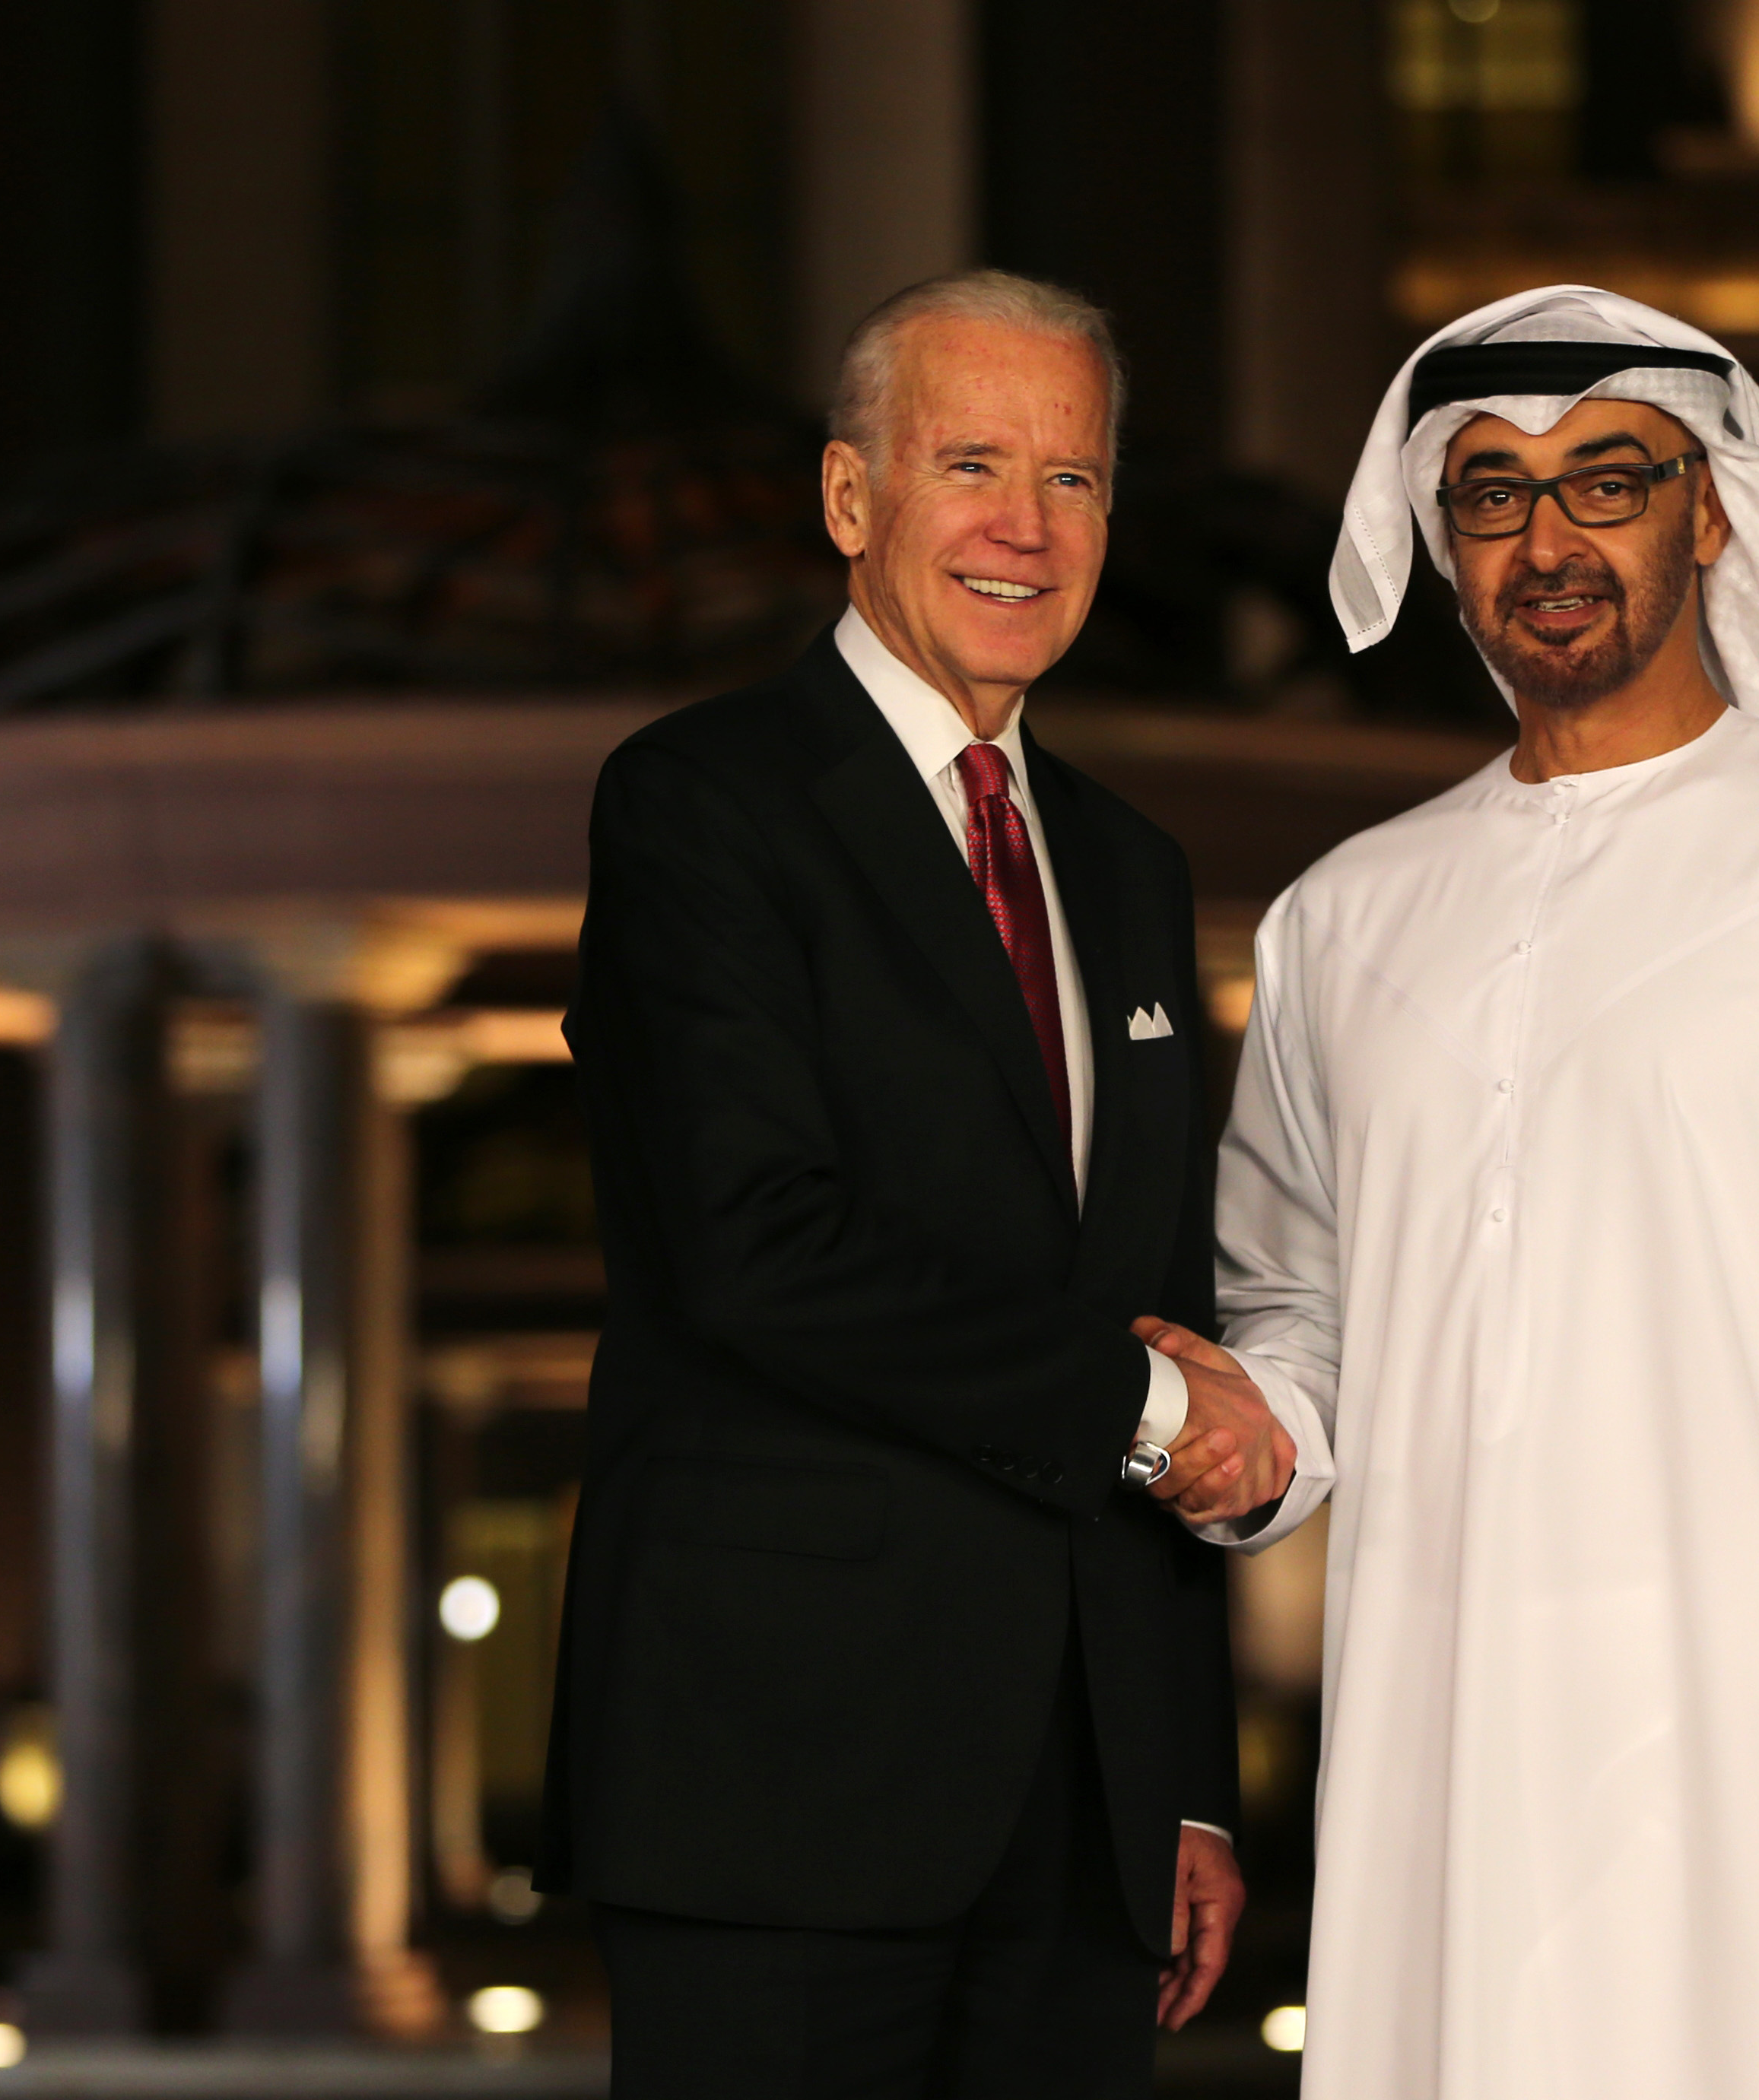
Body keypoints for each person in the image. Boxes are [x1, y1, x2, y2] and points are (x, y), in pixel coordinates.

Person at [1143, 286, 1759, 2098]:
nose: (1545, 540)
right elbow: (1298, 1300)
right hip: (1450, 1776)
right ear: (1437, 539)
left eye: (1603, 482)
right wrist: (1247, 1426)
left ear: (1705, 511)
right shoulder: (1346, 914)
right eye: (1489, 495)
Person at [541, 270, 1292, 2099]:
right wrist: (1143, 1410)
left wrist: (1178, 1775)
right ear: (849, 499)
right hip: (778, 1788)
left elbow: (1155, 1284)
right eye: (971, 462)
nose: (1025, 528)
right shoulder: (697, 804)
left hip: (1082, 1821)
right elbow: (754, 1250)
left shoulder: (1122, 865)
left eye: (1076, 478)